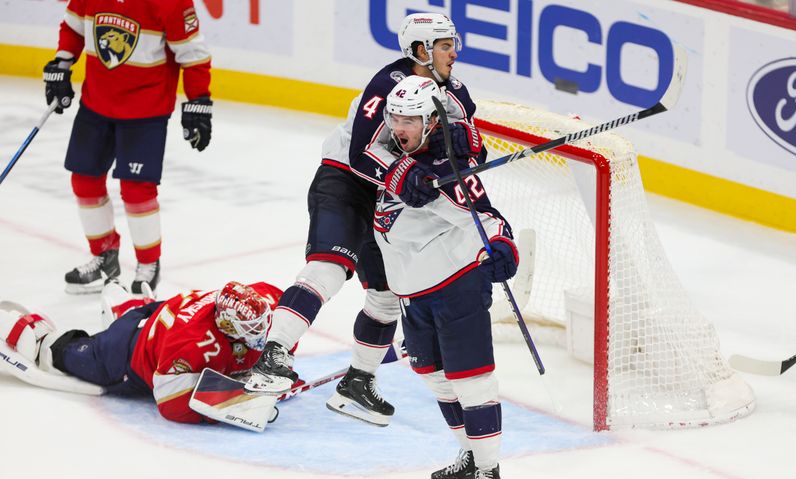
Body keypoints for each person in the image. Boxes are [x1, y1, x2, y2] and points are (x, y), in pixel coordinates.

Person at [246, 13, 485, 429]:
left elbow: (468, 153)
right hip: (345, 183)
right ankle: (274, 354)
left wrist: (466, 149)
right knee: (331, 266)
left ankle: (358, 383)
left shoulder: (456, 94)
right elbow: (361, 153)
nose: (454, 52)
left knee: (387, 293)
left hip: (388, 197)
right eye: (445, 45)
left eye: (453, 43)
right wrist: (406, 175)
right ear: (419, 51)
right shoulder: (386, 85)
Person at [374, 75, 517, 479]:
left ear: (432, 121)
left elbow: (487, 216)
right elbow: (367, 149)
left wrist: (503, 245)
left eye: (409, 120)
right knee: (431, 373)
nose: (399, 127)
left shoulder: (448, 166)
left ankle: (490, 471)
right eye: (395, 117)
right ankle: (471, 455)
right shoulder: (391, 149)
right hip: (412, 292)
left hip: (456, 284)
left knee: (470, 378)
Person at [43, 0, 213, 295]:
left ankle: (149, 263)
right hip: (95, 103)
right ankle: (104, 256)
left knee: (137, 190)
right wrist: (62, 62)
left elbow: (193, 54)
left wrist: (198, 101)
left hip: (146, 112)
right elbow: (73, 27)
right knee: (84, 180)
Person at [0, 280, 288, 425]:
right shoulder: (192, 343)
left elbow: (286, 322)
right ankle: (34, 335)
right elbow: (169, 402)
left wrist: (277, 358)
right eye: (249, 329)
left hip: (158, 313)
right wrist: (233, 404)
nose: (260, 335)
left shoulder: (264, 298)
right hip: (126, 353)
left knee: (147, 319)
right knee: (55, 353)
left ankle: (125, 309)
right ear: (225, 324)